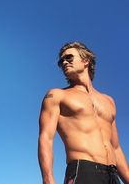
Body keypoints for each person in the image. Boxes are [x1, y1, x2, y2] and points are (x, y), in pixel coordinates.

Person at [38, 42, 129, 184]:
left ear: (86, 60)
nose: (64, 62)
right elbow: (46, 138)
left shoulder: (108, 101)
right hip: (83, 170)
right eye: (61, 61)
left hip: (112, 174)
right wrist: (48, 178)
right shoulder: (57, 95)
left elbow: (116, 148)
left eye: (69, 57)